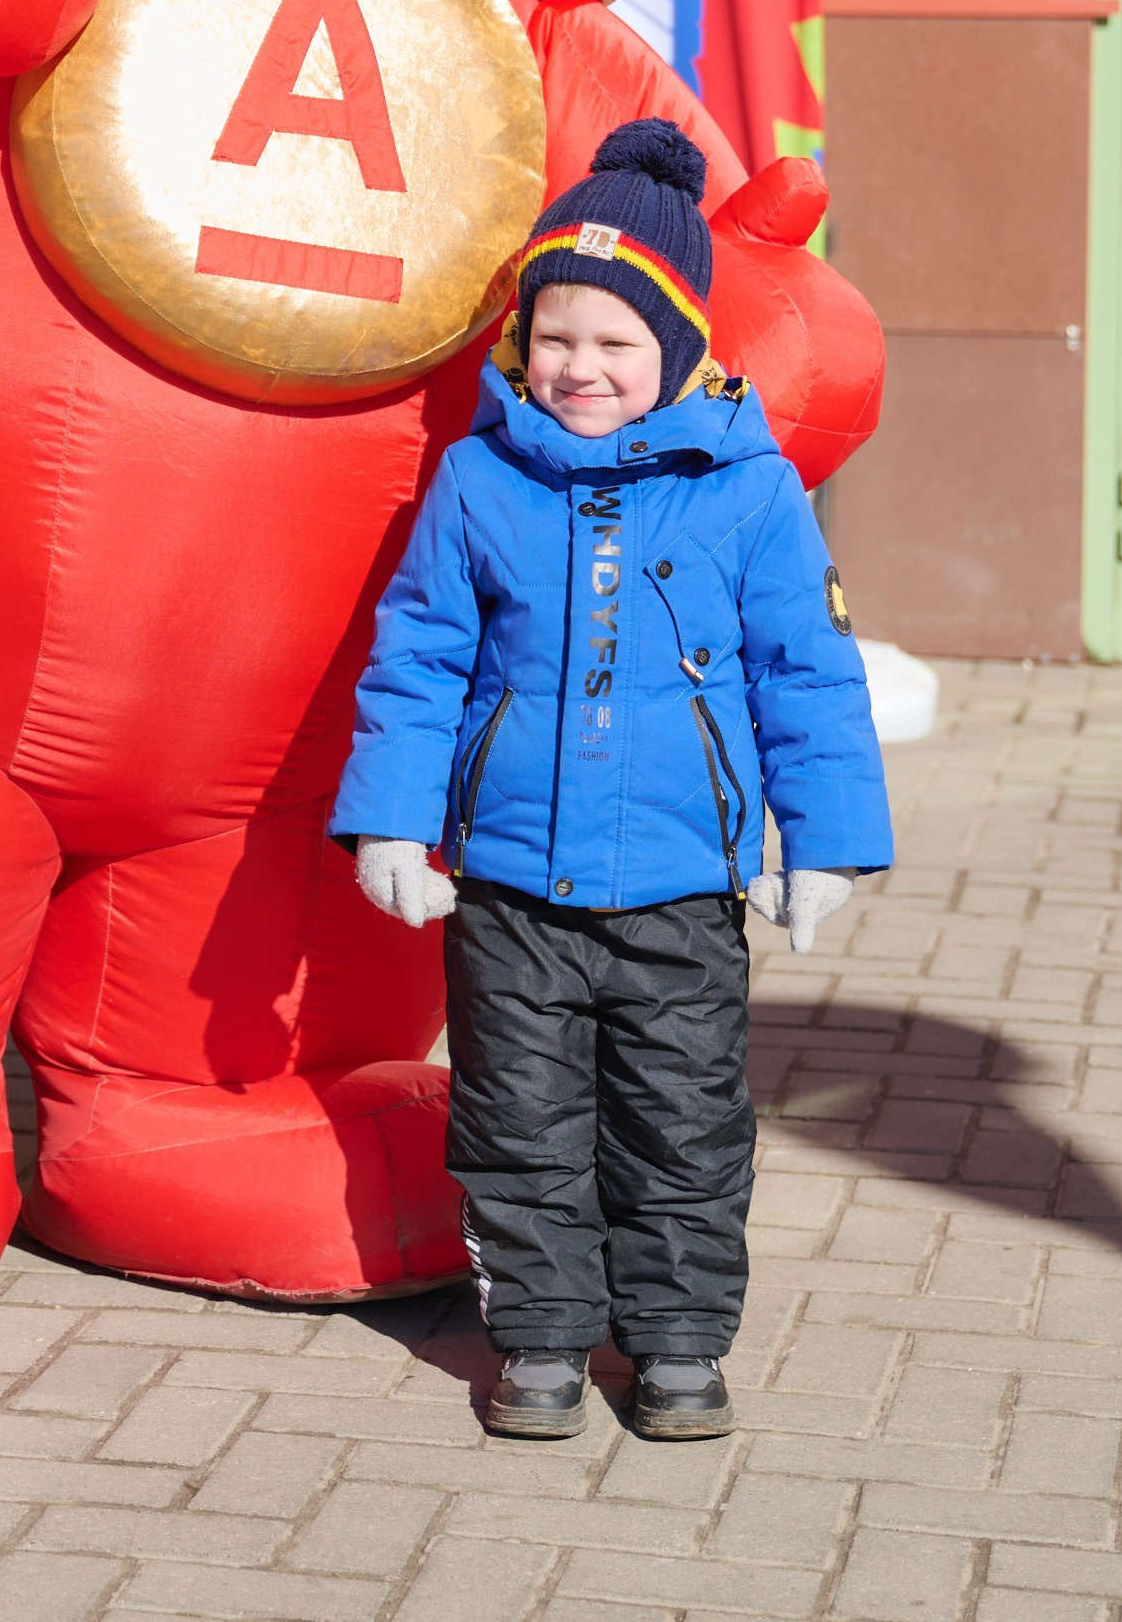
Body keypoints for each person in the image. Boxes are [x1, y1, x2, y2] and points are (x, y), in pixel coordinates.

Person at [330, 117, 892, 1441]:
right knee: (519, 1126)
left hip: (682, 893)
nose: (581, 368)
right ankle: (537, 1337)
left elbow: (807, 676)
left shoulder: (750, 494)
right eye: (556, 336)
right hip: (515, 887)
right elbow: (418, 659)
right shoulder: (479, 480)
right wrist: (395, 824)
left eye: (616, 343)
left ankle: (681, 1342)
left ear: (681, 346)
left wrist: (823, 844)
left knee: (682, 1132)